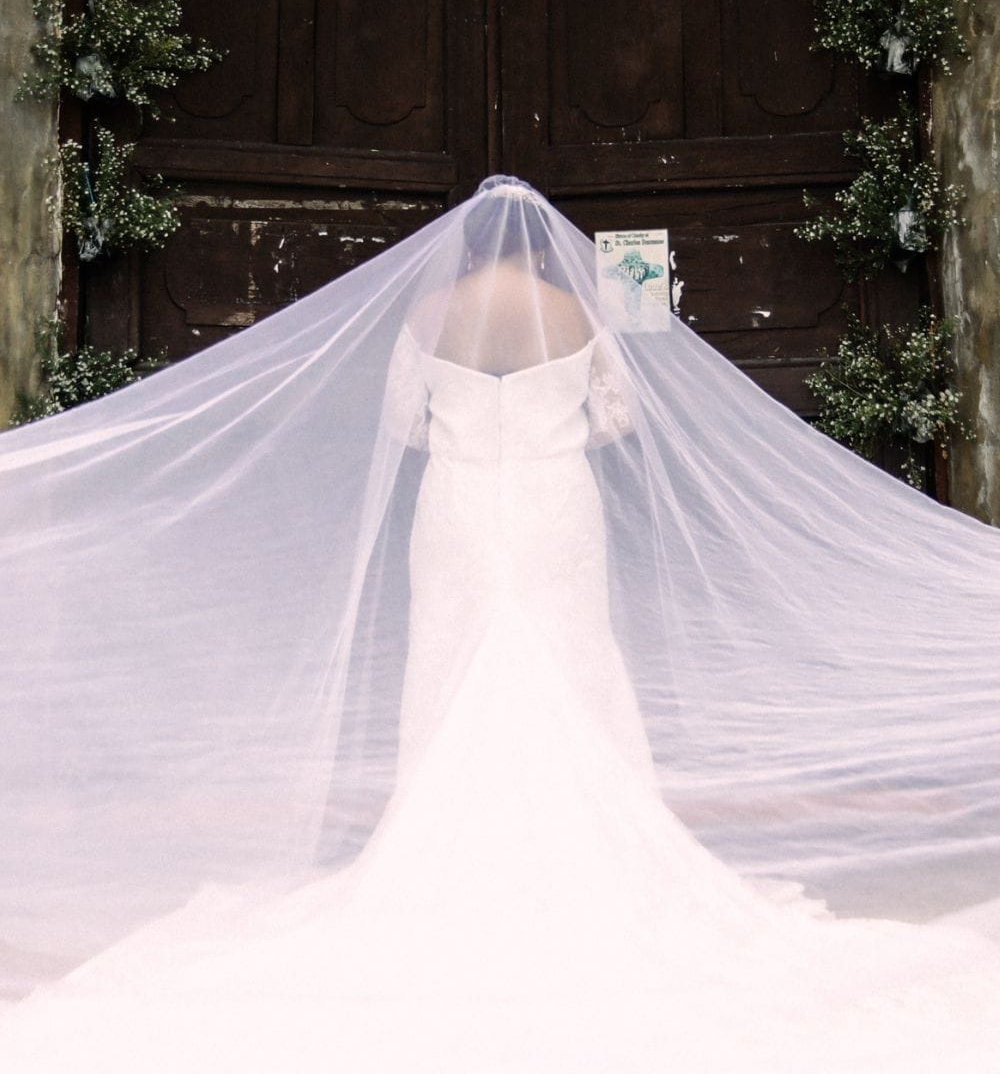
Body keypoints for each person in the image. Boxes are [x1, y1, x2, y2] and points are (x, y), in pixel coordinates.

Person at [1, 175, 999, 1071]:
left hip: (459, 507)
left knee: (452, 662)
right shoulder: (577, 309)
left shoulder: (429, 310)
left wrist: (468, 430)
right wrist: (555, 428)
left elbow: (401, 422)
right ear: (542, 242)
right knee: (572, 661)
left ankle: (441, 858)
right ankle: (590, 859)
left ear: (467, 242)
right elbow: (620, 414)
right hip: (558, 506)